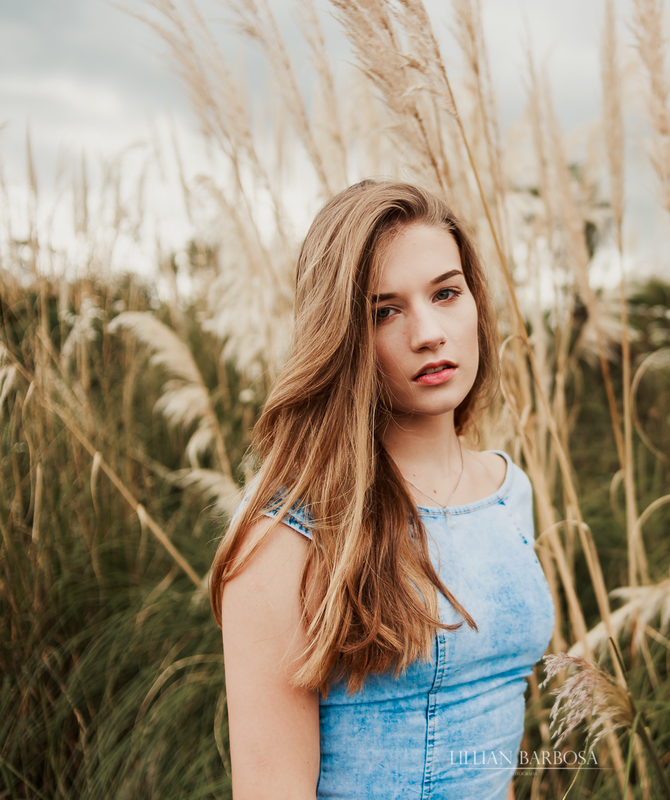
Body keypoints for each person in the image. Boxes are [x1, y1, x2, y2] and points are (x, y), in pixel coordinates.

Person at [211, 180, 556, 800]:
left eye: (446, 293)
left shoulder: (509, 491)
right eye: (385, 311)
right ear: (341, 337)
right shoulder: (288, 529)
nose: (428, 332)